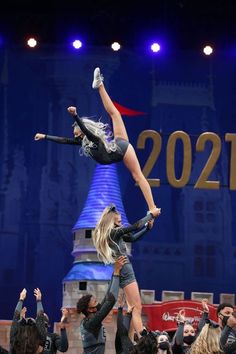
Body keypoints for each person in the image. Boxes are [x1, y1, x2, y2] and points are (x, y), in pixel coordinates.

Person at [34, 67, 161, 216]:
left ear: (82, 132)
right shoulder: (84, 142)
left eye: (77, 133)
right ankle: (100, 85)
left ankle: (152, 206)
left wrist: (76, 116)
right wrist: (45, 136)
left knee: (138, 176)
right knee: (115, 114)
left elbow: (86, 131)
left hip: (122, 149)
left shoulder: (94, 139)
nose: (75, 136)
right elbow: (64, 140)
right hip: (117, 145)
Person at [93, 203, 156, 338]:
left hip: (124, 269)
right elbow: (134, 227)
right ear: (112, 222)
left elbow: (132, 238)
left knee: (133, 308)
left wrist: (147, 228)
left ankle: (133, 337)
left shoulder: (115, 234)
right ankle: (143, 337)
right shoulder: (113, 232)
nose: (121, 224)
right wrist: (151, 215)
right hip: (125, 270)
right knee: (137, 307)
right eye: (119, 221)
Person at [76, 256, 126, 354]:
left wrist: (114, 273)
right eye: (94, 302)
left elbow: (108, 297)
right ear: (90, 309)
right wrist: (116, 273)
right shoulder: (91, 323)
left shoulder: (91, 319)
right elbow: (111, 301)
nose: (98, 302)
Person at [10, 288, 46, 354]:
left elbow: (15, 319)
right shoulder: (39, 344)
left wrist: (21, 299)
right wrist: (39, 300)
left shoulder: (14, 342)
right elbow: (40, 320)